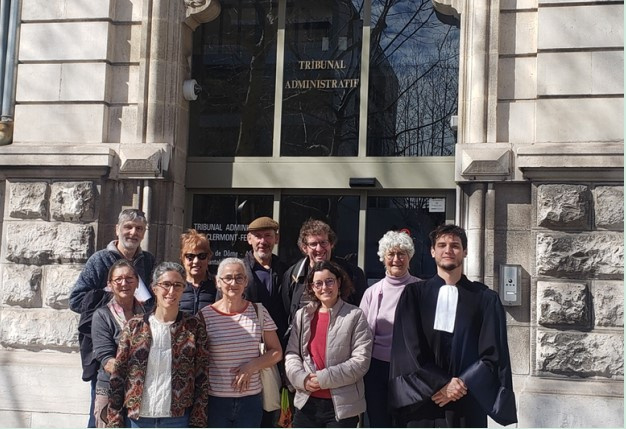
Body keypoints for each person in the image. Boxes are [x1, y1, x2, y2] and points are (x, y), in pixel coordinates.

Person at [389, 224, 517, 427]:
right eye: (441, 245)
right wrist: (440, 384)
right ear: (432, 251)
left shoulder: (485, 299)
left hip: (467, 398)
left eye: (455, 245)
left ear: (465, 251)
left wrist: (460, 384)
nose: (448, 250)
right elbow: (407, 349)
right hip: (423, 400)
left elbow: (492, 353)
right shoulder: (413, 296)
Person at [70, 208, 156, 428]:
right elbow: (76, 300)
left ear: (144, 233)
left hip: (140, 357)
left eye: (139, 228)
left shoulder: (148, 260)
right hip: (107, 355)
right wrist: (116, 295)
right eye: (128, 227)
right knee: (103, 418)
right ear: (117, 229)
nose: (133, 232)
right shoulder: (100, 260)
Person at [107, 262, 210, 428]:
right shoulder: (135, 326)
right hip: (138, 419)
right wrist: (114, 420)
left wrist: (198, 421)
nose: (171, 291)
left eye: (177, 285)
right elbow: (118, 375)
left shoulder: (194, 327)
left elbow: (202, 377)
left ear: (184, 289)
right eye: (166, 285)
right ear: (154, 288)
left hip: (177, 419)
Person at [284, 260, 372, 428]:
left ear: (339, 282)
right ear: (311, 287)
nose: (324, 287)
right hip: (306, 401)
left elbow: (360, 362)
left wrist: (322, 379)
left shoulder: (355, 315)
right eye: (318, 283)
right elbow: (292, 354)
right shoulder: (303, 315)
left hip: (342, 406)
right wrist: (301, 379)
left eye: (329, 281)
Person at [200, 257, 283, 428]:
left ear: (246, 282)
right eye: (228, 278)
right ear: (218, 282)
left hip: (250, 401)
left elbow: (276, 352)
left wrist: (252, 366)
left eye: (239, 278)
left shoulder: (258, 311)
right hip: (215, 401)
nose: (233, 283)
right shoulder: (205, 316)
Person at [359, 230, 421, 427]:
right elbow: (361, 334)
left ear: (409, 257)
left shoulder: (422, 289)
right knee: (379, 421)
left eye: (402, 254)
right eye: (391, 254)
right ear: (383, 257)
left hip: (410, 368)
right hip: (377, 368)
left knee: (409, 421)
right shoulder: (372, 293)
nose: (396, 259)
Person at [281, 219, 367, 338]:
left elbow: (362, 313)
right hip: (302, 347)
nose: (319, 249)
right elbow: (287, 312)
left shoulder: (352, 274)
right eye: (313, 244)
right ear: (304, 248)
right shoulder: (292, 275)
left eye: (323, 243)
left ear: (331, 244)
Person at [242, 217, 289, 427]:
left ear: (276, 239)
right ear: (249, 239)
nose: (263, 241)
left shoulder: (287, 271)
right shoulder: (237, 271)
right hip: (245, 353)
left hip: (277, 353)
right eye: (258, 236)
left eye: (268, 236)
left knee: (274, 411)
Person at [91, 260, 146, 427]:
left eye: (129, 279)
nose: (124, 283)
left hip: (140, 392)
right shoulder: (102, 316)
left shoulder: (148, 314)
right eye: (118, 279)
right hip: (110, 390)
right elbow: (106, 359)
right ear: (110, 285)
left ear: (137, 283)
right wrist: (139, 371)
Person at [179, 229, 217, 315]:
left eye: (202, 256)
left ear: (209, 257)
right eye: (190, 256)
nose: (196, 261)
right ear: (182, 258)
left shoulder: (217, 286)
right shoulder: (176, 286)